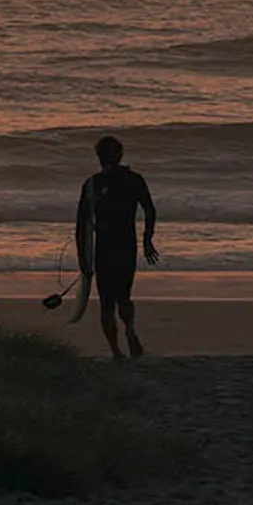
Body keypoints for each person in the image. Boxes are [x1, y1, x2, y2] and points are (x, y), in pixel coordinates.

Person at [76, 135, 158, 360]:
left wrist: (84, 258)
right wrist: (147, 240)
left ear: (98, 157)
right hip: (126, 246)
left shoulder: (92, 184)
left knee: (106, 303)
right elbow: (150, 210)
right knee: (124, 296)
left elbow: (82, 225)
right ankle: (130, 330)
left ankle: (116, 352)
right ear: (120, 155)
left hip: (104, 250)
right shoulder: (134, 179)